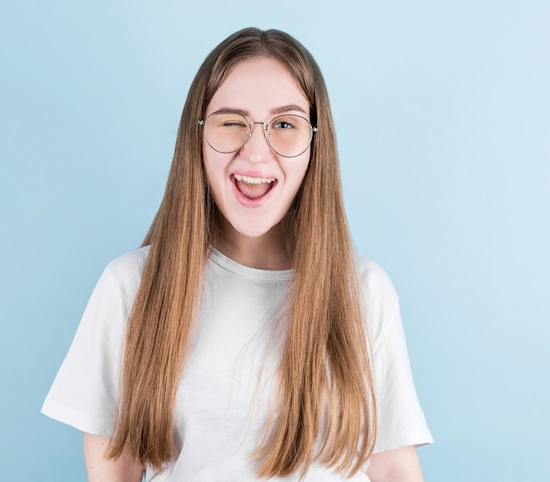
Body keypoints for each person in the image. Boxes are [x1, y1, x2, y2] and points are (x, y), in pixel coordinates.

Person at [42, 27, 433, 481]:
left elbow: (393, 465)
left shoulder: (363, 291)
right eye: (232, 122)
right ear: (198, 135)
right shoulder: (130, 286)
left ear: (315, 143)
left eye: (284, 125)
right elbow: (115, 469)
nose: (256, 155)